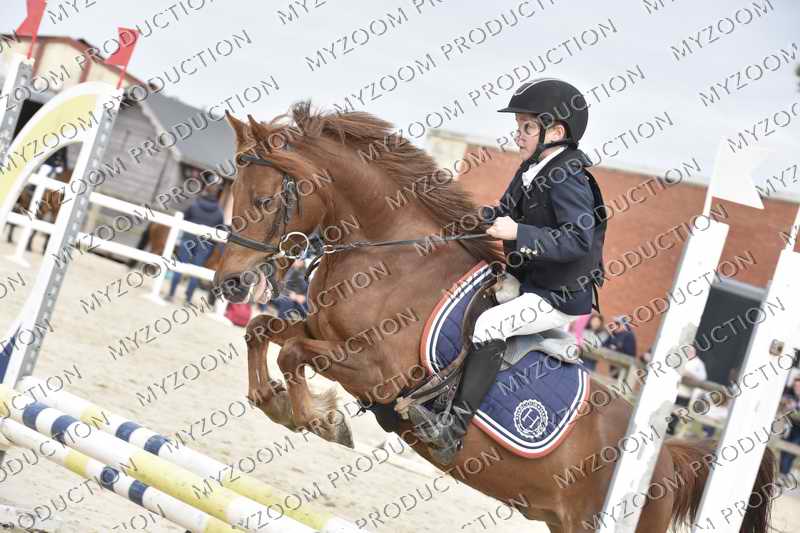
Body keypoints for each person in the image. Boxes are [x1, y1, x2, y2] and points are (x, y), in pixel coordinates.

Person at [411, 78, 608, 464]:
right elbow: (502, 212)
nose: (518, 134)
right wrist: (452, 221)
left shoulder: (569, 176)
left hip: (558, 295)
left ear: (556, 132)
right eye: (518, 126)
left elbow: (578, 240)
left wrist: (520, 232)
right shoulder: (532, 168)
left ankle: (453, 430)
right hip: (531, 280)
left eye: (527, 127)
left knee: (491, 325)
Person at [167, 180, 225, 304]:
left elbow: (184, 219)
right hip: (205, 245)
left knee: (179, 266)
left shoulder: (194, 205)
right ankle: (188, 299)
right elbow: (220, 230)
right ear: (217, 194)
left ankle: (171, 294)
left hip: (188, 239)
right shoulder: (219, 213)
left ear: (205, 190)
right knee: (196, 271)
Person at [668, 344, 707, 435]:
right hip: (673, 391)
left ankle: (669, 434)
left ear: (695, 352)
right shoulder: (680, 360)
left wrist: (688, 374)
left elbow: (702, 379)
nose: (688, 352)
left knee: (676, 416)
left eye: (690, 351)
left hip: (685, 395)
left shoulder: (699, 364)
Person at [779, 377, 800, 484]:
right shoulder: (790, 395)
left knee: (791, 451)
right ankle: (782, 474)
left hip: (798, 430)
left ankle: (783, 474)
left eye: (799, 386)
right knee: (784, 449)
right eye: (795, 385)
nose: (797, 388)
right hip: (790, 426)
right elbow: (783, 403)